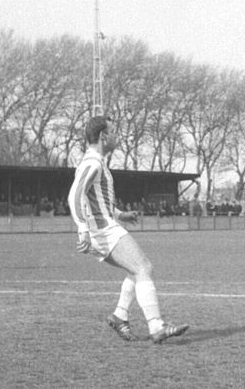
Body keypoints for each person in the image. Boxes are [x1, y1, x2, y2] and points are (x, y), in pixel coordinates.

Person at [68, 115, 188, 344]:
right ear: (103, 136)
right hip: (102, 231)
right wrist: (82, 228)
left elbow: (97, 201)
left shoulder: (96, 161)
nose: (117, 136)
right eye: (113, 132)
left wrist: (120, 214)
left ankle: (119, 315)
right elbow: (74, 194)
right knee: (143, 267)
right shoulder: (92, 163)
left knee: (136, 270)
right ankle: (157, 327)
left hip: (103, 227)